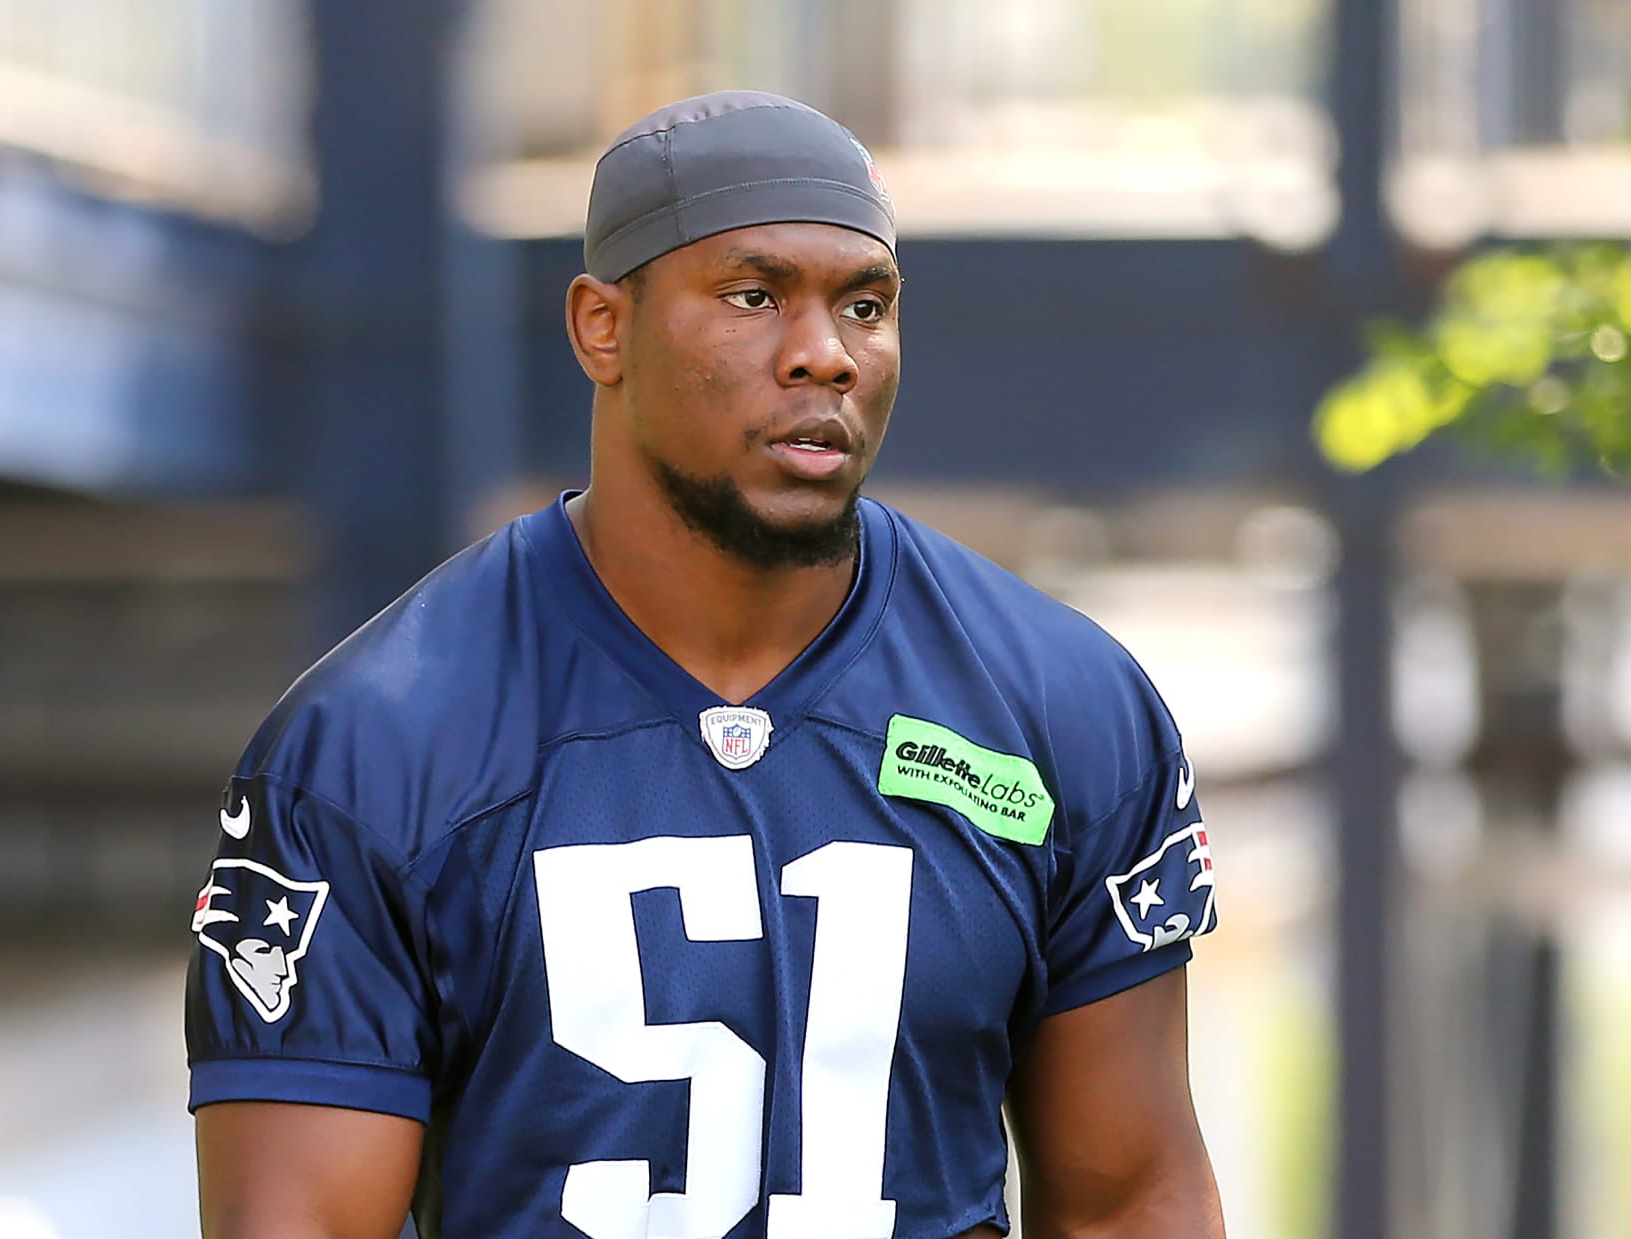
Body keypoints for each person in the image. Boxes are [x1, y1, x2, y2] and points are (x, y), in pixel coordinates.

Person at [187, 90, 1225, 1239]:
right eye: (753, 296)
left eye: (866, 307)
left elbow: (1133, 1201)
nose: (824, 355)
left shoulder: (1060, 708)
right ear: (603, 328)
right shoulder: (375, 742)